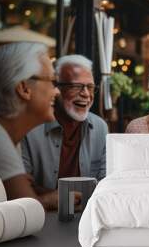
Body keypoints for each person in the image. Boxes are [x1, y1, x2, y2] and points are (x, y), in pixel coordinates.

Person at [0, 42, 61, 210]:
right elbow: (27, 210)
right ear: (24, 88)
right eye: (52, 81)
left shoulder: (3, 134)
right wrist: (47, 200)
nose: (57, 91)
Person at [21, 55, 108, 209]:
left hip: (88, 215)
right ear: (56, 88)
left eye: (90, 87)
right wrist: (49, 199)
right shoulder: (30, 128)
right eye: (76, 86)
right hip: (43, 217)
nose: (86, 94)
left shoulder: (100, 128)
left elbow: (106, 183)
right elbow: (21, 189)